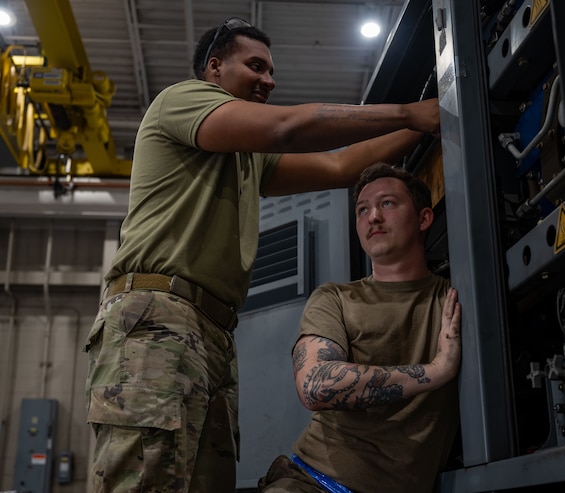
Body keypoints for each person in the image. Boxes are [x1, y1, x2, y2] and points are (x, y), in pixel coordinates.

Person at [83, 17, 441, 493]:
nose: (268, 81)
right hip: (156, 320)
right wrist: (407, 112)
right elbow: (289, 129)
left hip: (211, 331)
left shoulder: (246, 156)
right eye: (256, 66)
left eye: (271, 72)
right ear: (214, 68)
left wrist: (433, 120)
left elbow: (339, 166)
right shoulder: (182, 100)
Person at [258, 162, 462, 493]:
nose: (373, 217)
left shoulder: (453, 298)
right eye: (362, 210)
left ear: (424, 218)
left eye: (387, 204)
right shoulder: (335, 299)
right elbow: (315, 384)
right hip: (314, 483)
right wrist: (436, 371)